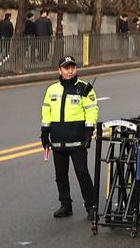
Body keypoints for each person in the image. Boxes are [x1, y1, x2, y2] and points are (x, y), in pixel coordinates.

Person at [41, 56, 98, 218]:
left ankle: (91, 206)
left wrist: (89, 131)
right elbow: (46, 112)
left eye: (72, 67)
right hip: (58, 138)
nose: (70, 71)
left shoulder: (84, 88)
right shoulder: (52, 90)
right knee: (60, 174)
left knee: (82, 173)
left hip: (77, 138)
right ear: (60, 70)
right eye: (66, 68)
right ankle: (65, 205)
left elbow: (92, 111)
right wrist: (44, 133)